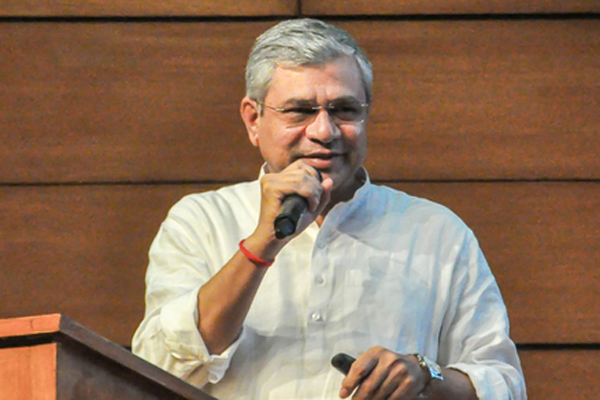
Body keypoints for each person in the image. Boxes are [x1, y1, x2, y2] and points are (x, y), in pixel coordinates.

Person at [132, 18, 527, 400]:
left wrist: (424, 376)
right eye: (300, 111)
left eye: (344, 110)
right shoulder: (201, 220)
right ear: (254, 120)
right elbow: (156, 367)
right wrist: (261, 244)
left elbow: (504, 384)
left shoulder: (435, 231)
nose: (324, 131)